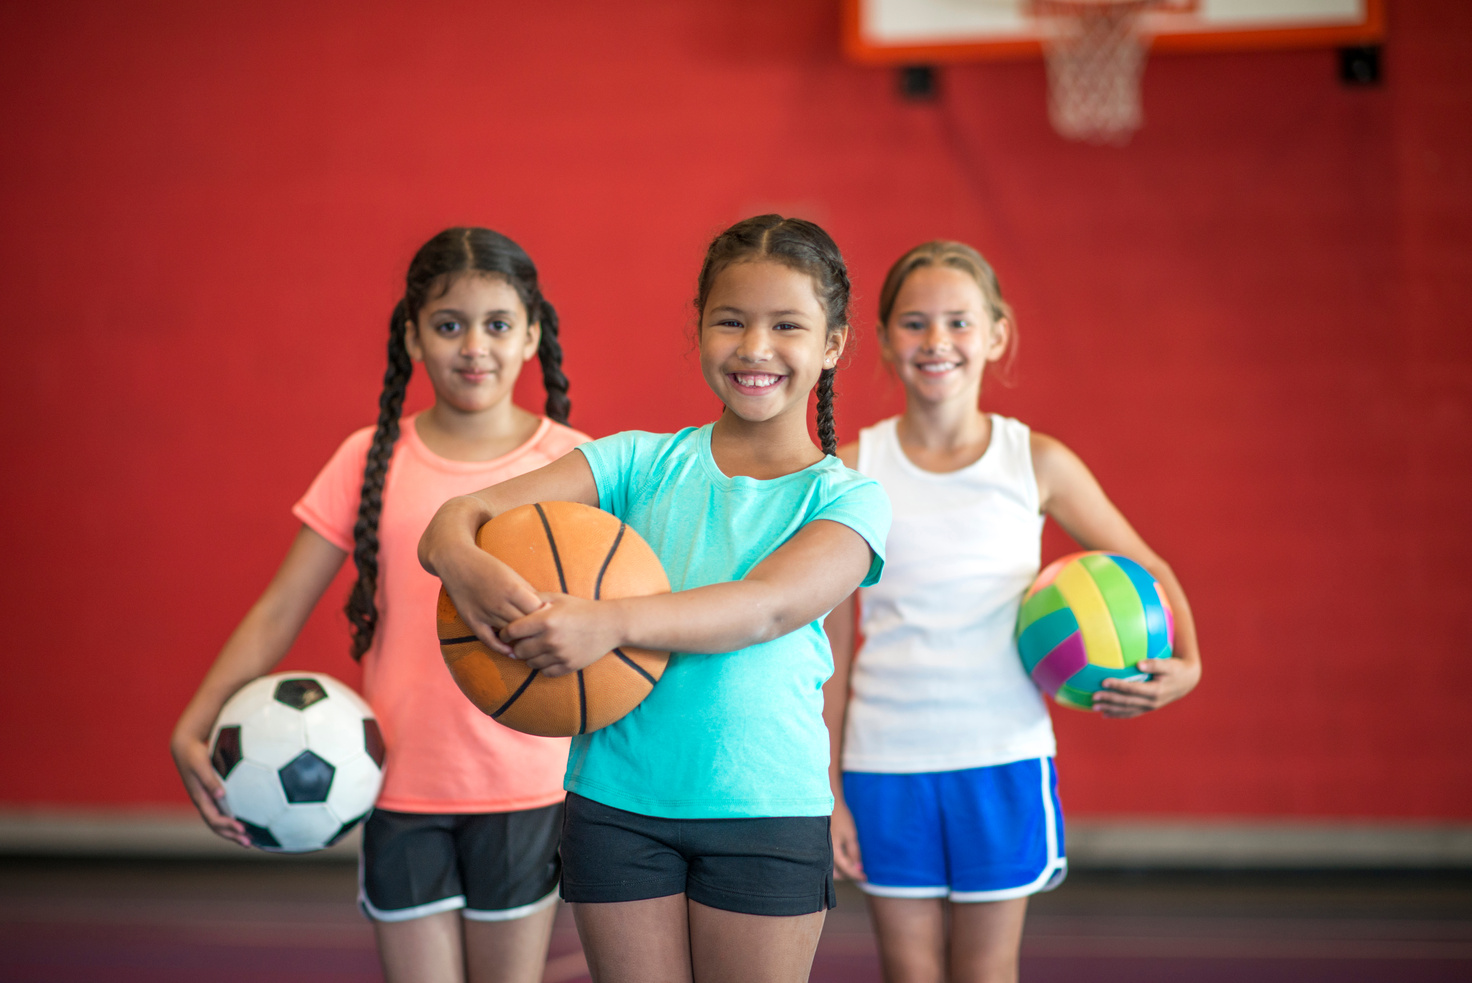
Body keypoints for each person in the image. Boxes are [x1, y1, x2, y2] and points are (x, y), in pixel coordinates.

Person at [418, 215, 892, 983]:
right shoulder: (634, 461)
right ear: (700, 328)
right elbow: (455, 520)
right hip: (616, 806)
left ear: (832, 344)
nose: (755, 347)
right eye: (731, 320)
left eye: (787, 325)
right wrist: (463, 563)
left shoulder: (850, 499)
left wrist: (606, 624)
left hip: (764, 811)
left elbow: (764, 605)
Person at [170, 228, 587, 983]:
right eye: (448, 324)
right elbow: (278, 608)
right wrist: (194, 720)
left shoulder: (573, 463)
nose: (473, 347)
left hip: (530, 787)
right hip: (397, 784)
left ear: (531, 334)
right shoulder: (369, 456)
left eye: (497, 324)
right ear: (412, 336)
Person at [823, 240, 1202, 983]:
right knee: (909, 971)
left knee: (987, 971)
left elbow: (1149, 566)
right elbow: (830, 648)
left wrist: (1188, 665)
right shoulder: (853, 472)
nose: (938, 342)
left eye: (960, 322)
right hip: (884, 762)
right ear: (887, 337)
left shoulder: (1036, 461)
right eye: (915, 322)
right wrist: (829, 788)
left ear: (997, 334)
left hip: (1002, 757)